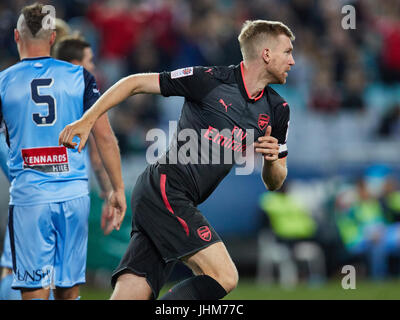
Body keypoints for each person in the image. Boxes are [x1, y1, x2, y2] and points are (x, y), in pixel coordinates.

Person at [60, 19, 295, 300]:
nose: (292, 61)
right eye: (287, 52)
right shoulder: (209, 80)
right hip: (166, 189)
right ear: (266, 54)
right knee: (224, 276)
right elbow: (134, 83)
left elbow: (275, 181)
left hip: (165, 199)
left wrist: (270, 161)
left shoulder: (278, 109)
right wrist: (87, 120)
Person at [0, 3, 126, 300]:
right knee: (69, 292)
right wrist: (117, 189)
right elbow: (106, 139)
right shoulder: (80, 77)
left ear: (17, 38)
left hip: (31, 200)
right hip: (73, 198)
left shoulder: (4, 83)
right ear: (53, 38)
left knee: (33, 291)